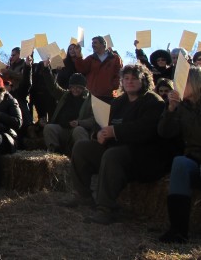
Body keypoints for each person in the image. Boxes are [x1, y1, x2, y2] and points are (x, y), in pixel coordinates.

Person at [64, 64, 175, 225]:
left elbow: (145, 129)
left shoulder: (153, 101)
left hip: (142, 156)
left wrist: (115, 132)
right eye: (126, 78)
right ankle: (83, 196)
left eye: (134, 78)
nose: (130, 82)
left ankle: (106, 209)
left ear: (144, 80)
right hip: (116, 149)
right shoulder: (119, 102)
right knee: (82, 147)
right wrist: (99, 135)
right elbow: (102, 124)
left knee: (112, 155)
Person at [156, 66, 201, 243]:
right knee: (180, 163)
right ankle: (178, 230)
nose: (178, 85)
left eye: (184, 82)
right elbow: (164, 132)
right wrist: (171, 109)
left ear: (195, 83)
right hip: (193, 157)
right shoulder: (180, 106)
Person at [41, 69, 90, 155]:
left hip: (77, 131)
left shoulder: (89, 100)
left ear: (83, 88)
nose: (75, 90)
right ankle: (55, 155)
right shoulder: (65, 95)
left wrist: (79, 123)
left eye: (78, 87)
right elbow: (53, 87)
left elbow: (93, 120)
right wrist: (46, 69)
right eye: (73, 87)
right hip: (63, 129)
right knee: (49, 128)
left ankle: (82, 156)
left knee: (78, 130)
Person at [72, 36, 123, 102]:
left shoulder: (115, 58)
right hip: (92, 96)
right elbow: (81, 69)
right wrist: (78, 54)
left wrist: (112, 86)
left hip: (109, 96)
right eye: (92, 43)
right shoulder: (90, 58)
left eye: (95, 43)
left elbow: (119, 74)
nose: (93, 45)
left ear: (103, 44)